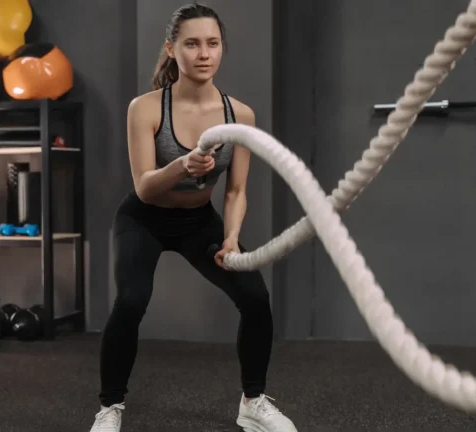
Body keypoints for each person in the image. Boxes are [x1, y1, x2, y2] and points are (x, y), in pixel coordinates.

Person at [89, 3, 298, 432]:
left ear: (222, 49)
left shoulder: (240, 115)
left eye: (213, 44)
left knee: (256, 300)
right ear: (171, 49)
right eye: (192, 44)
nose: (204, 53)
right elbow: (146, 186)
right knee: (130, 301)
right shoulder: (145, 109)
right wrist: (183, 166)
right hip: (143, 219)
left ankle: (253, 403)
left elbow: (237, 190)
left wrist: (232, 237)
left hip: (198, 221)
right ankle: (110, 409)